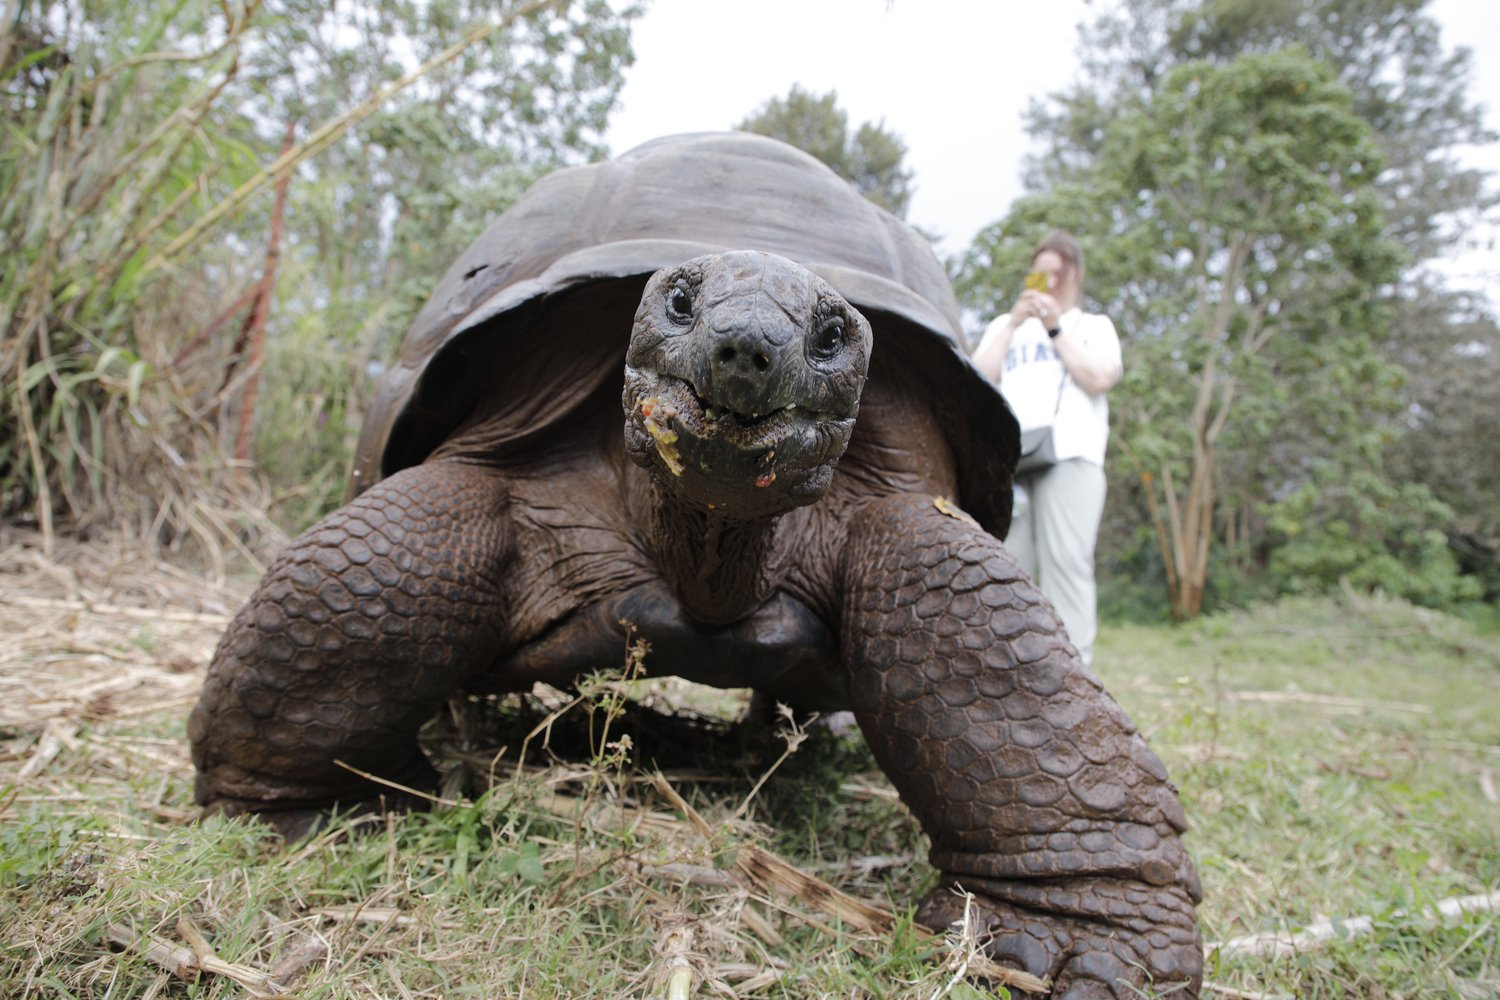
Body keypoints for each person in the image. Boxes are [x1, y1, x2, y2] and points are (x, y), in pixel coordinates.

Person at [972, 230, 1122, 666]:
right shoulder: (1005, 326)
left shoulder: (1093, 326)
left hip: (1071, 458)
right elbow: (977, 378)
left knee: (1067, 564)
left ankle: (1073, 672)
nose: (1047, 285)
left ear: (1075, 274)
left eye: (1054, 275)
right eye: (1038, 276)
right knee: (1007, 565)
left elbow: (1098, 378)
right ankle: (1008, 666)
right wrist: (1017, 321)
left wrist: (1054, 325)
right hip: (1013, 461)